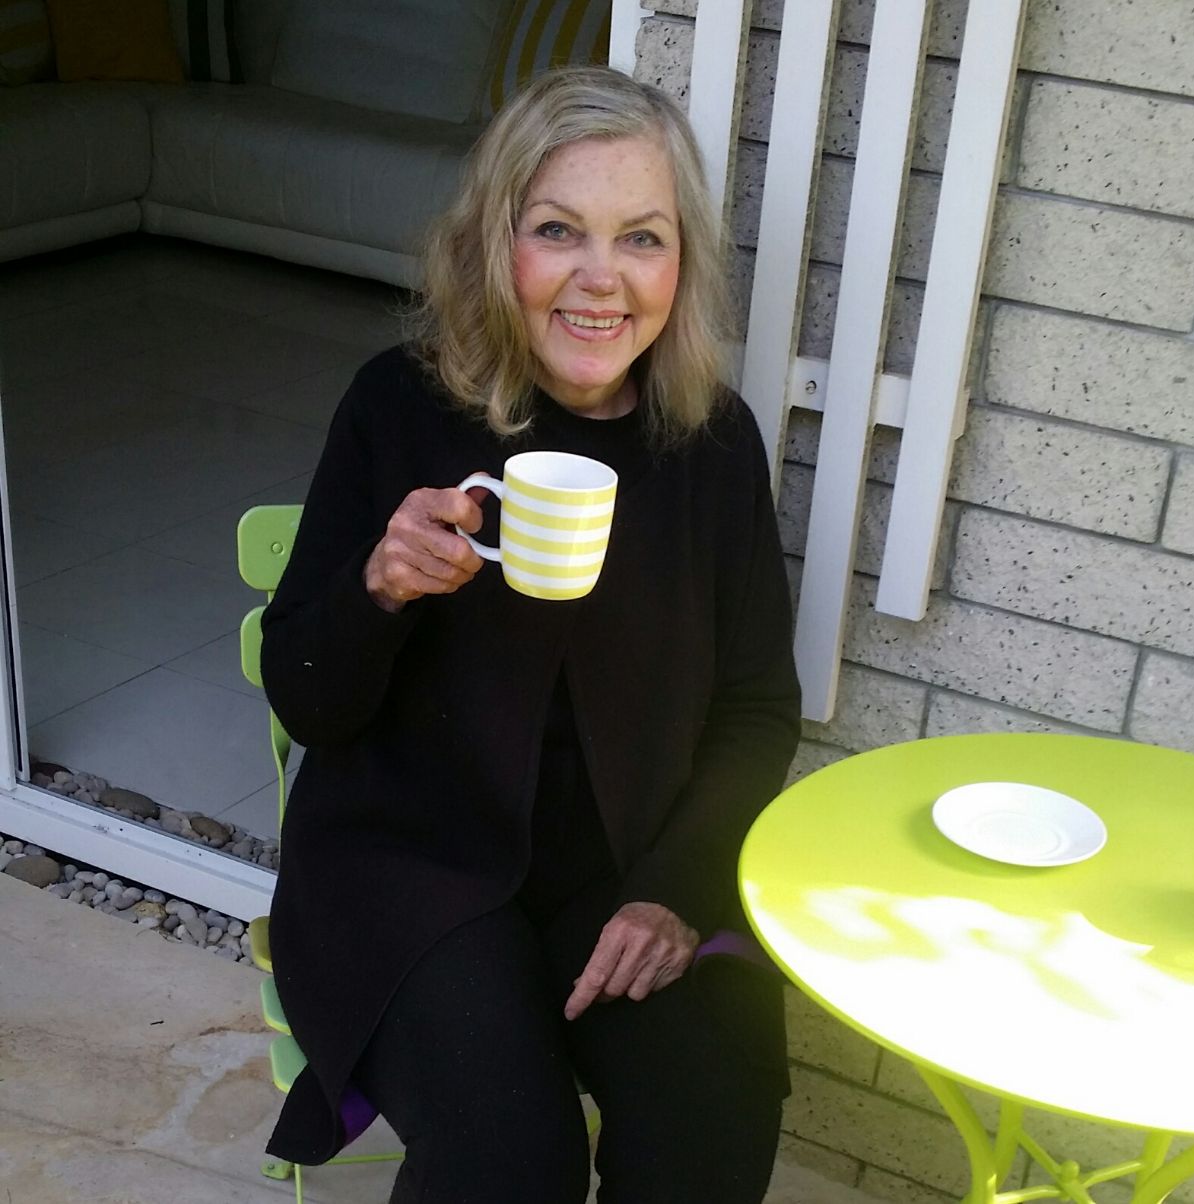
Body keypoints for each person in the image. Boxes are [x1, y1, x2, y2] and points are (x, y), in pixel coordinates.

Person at [261, 64, 801, 1203]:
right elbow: (306, 696)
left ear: (681, 264)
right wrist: (378, 588)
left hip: (626, 869)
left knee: (717, 1103)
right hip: (411, 870)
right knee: (509, 1159)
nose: (600, 280)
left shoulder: (709, 448)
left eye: (641, 239)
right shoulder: (400, 408)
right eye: (558, 229)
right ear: (494, 240)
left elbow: (756, 707)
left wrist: (675, 888)